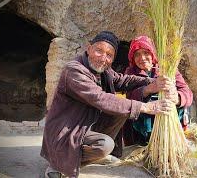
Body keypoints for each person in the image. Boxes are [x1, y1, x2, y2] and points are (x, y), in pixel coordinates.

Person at [41, 31, 176, 178]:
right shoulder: (74, 70)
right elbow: (100, 98)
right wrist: (146, 107)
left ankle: (94, 155)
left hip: (86, 124)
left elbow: (123, 80)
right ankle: (58, 162)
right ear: (89, 48)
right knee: (105, 145)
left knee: (121, 110)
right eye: (99, 50)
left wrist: (152, 82)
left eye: (109, 55)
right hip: (67, 130)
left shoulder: (104, 70)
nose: (103, 58)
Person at [123, 35, 193, 146]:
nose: (142, 58)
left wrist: (178, 98)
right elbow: (128, 98)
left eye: (146, 53)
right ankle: (145, 142)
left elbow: (187, 92)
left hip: (168, 118)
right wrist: (147, 90)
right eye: (137, 54)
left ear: (152, 53)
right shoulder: (130, 72)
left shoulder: (167, 68)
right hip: (144, 122)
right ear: (132, 57)